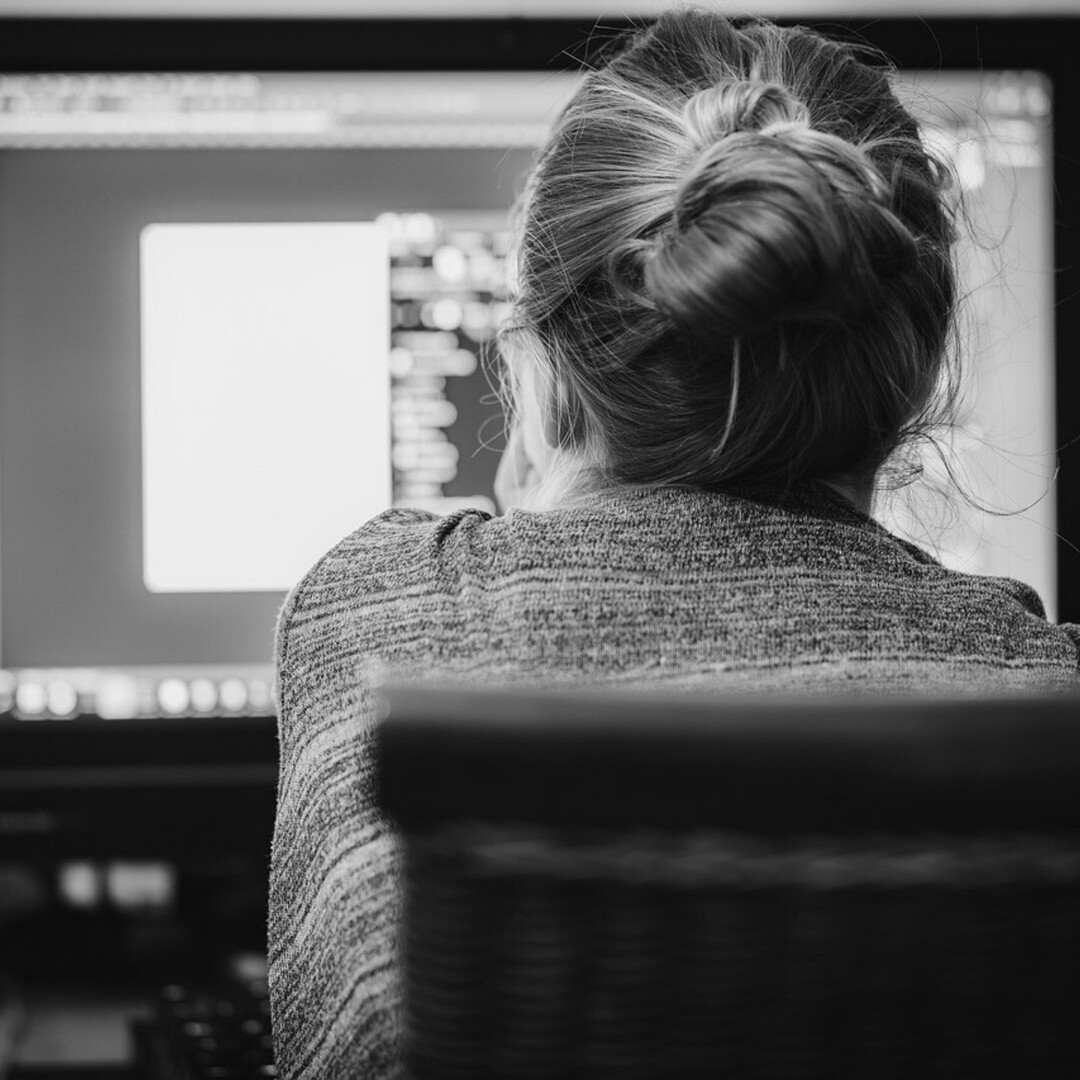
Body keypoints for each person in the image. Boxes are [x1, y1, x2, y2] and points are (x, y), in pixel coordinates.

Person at [268, 10, 1080, 1077]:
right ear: (918, 379)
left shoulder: (380, 613)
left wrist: (534, 509)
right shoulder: (1041, 694)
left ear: (548, 369)